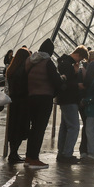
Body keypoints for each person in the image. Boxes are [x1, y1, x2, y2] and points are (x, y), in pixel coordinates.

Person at [24, 39, 61, 170]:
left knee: (33, 128)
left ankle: (28, 157)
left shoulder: (31, 61)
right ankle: (34, 158)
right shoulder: (48, 63)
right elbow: (56, 81)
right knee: (39, 129)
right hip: (44, 98)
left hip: (31, 97)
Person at [56, 46, 87, 164]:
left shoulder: (64, 62)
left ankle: (61, 153)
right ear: (78, 55)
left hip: (64, 99)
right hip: (69, 99)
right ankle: (67, 154)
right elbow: (66, 83)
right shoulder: (68, 65)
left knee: (64, 127)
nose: (80, 62)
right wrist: (76, 83)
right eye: (81, 58)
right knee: (74, 127)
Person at [4, 47, 30, 164]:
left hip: (13, 102)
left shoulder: (11, 69)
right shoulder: (23, 70)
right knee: (20, 128)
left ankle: (12, 153)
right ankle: (14, 154)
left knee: (13, 128)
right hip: (22, 102)